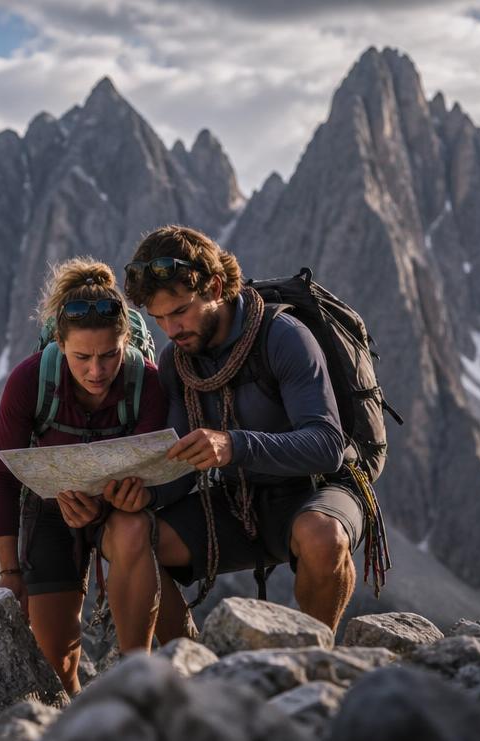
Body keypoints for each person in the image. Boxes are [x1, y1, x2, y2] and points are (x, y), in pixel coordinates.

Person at [102, 225, 367, 652]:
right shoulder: (177, 364)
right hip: (237, 503)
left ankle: (315, 663)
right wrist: (141, 495)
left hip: (316, 491)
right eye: (159, 318)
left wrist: (233, 445)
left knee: (322, 537)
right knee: (127, 534)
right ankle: (187, 664)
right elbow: (179, 469)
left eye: (181, 311)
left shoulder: (282, 336)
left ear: (217, 287)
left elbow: (326, 447)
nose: (171, 329)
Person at [0, 257, 174, 695]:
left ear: (126, 341)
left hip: (116, 510)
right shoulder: (30, 380)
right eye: (82, 357)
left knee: (132, 528)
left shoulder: (145, 381)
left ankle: (136, 682)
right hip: (51, 511)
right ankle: (75, 729)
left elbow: (158, 470)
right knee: (57, 663)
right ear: (59, 343)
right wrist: (10, 570)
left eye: (110, 355)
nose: (96, 371)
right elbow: (3, 476)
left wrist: (136, 502)